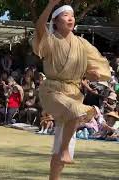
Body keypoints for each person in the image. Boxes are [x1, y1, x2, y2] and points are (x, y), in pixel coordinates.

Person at [32, 1, 111, 179]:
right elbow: (39, 27)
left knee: (62, 140)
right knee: (75, 113)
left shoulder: (82, 44)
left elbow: (92, 69)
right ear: (55, 21)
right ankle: (65, 150)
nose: (70, 18)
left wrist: (94, 74)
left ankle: (56, 173)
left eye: (72, 16)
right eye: (65, 15)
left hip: (74, 93)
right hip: (52, 90)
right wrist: (51, 4)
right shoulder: (50, 40)